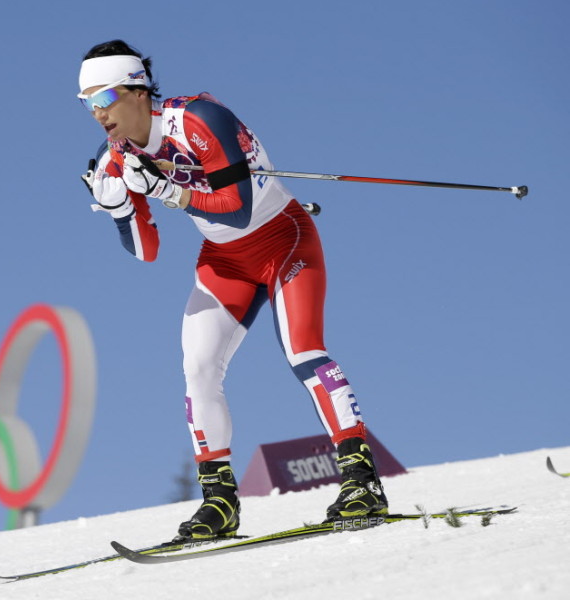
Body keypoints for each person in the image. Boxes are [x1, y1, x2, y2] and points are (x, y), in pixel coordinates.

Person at [77, 40, 388, 541]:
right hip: (224, 260)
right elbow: (146, 251)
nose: (96, 113)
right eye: (85, 102)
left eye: (103, 97)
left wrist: (164, 190)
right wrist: (119, 211)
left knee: (304, 350)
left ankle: (361, 481)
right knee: (197, 367)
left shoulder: (199, 120)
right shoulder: (115, 156)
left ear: (137, 90)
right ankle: (219, 503)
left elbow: (239, 207)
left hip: (282, 239)